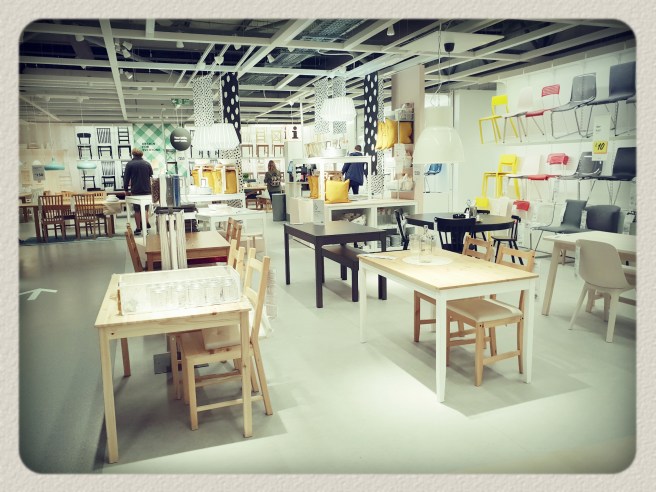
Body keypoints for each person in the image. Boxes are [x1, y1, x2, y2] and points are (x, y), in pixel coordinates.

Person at [123, 147, 153, 235]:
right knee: (145, 209)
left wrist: (126, 190)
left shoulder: (129, 164)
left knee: (137, 210)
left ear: (132, 154)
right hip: (147, 190)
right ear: (142, 154)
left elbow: (126, 179)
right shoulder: (147, 164)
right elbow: (151, 177)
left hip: (136, 191)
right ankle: (145, 227)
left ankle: (138, 228)